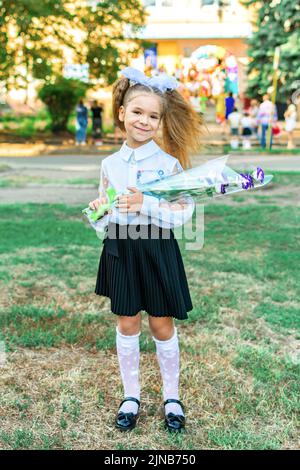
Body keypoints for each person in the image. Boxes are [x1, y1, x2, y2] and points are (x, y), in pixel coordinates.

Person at [88, 67, 202, 433]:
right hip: (121, 249)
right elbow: (104, 218)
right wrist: (98, 212)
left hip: (157, 250)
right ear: (121, 112)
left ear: (160, 121)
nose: (144, 121)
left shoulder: (168, 165)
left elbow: (184, 212)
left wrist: (144, 204)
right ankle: (131, 396)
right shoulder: (109, 164)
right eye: (137, 112)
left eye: (153, 116)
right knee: (127, 321)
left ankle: (172, 397)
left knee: (161, 323)